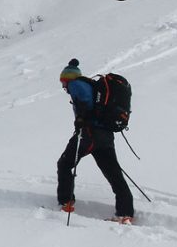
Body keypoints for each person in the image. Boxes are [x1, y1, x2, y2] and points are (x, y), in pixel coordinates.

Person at [56, 58, 134, 224]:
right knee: (114, 174)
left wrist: (81, 118)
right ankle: (125, 213)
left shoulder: (75, 84)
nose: (63, 86)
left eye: (63, 82)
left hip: (89, 134)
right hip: (105, 135)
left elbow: (85, 102)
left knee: (64, 164)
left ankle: (66, 203)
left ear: (67, 79)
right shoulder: (90, 85)